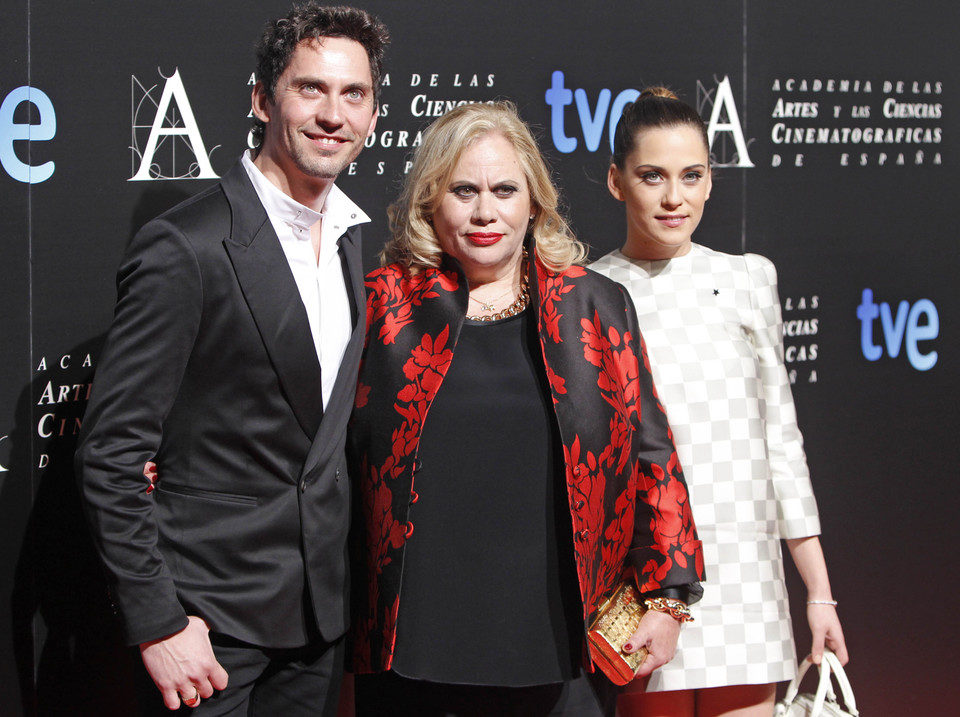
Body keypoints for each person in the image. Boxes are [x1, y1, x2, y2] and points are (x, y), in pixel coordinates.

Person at [74, 4, 388, 714]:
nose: (333, 114)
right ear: (261, 97)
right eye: (310, 88)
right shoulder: (186, 244)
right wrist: (157, 621)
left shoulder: (351, 239)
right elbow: (112, 452)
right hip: (206, 629)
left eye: (354, 94)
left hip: (317, 622)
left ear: (373, 113)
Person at [347, 101, 705, 716]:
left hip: (564, 639)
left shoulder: (593, 304)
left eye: (504, 190)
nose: (486, 211)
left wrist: (669, 598)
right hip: (414, 642)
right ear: (431, 201)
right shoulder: (382, 305)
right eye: (464, 190)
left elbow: (650, 449)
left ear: (533, 203)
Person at [590, 87, 848, 717]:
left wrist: (818, 592)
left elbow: (781, 442)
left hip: (746, 574)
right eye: (652, 176)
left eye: (692, 175)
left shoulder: (747, 280)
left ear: (710, 181)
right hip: (645, 578)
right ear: (616, 182)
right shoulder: (589, 292)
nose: (674, 197)